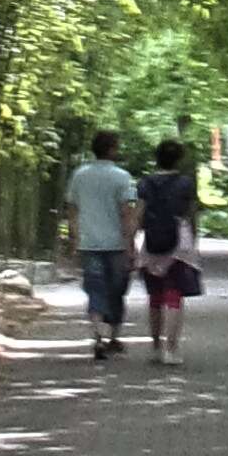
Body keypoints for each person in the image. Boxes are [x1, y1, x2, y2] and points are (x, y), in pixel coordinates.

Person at [66, 127, 140, 359]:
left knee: (95, 289)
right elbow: (127, 212)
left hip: (89, 244)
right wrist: (131, 244)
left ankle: (97, 335)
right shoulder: (122, 177)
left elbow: (72, 210)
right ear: (112, 149)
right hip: (116, 245)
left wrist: (74, 238)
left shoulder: (79, 175)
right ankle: (114, 336)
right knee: (117, 291)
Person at [133, 137, 203, 365]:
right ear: (179, 159)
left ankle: (155, 346)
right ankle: (171, 349)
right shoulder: (185, 183)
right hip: (178, 241)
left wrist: (131, 239)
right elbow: (192, 214)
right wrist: (194, 239)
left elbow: (139, 213)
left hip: (152, 241)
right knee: (174, 296)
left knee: (155, 296)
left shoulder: (144, 183)